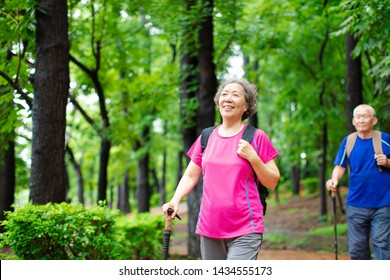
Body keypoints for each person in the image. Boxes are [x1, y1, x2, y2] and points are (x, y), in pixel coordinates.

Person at [162, 78, 280, 260]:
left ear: (246, 105)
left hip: (246, 228)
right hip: (210, 227)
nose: (228, 98)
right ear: (218, 102)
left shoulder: (256, 137)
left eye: (235, 95)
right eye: (224, 94)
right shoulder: (207, 137)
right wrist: (175, 200)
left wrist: (254, 158)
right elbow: (191, 174)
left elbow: (272, 181)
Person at [326, 104, 390, 260]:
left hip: (383, 203)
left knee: (382, 244)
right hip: (356, 203)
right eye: (358, 117)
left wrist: (388, 162)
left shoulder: (385, 139)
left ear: (374, 120)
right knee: (357, 249)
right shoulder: (349, 141)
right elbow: (340, 166)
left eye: (365, 116)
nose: (361, 120)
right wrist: (333, 180)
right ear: (354, 121)